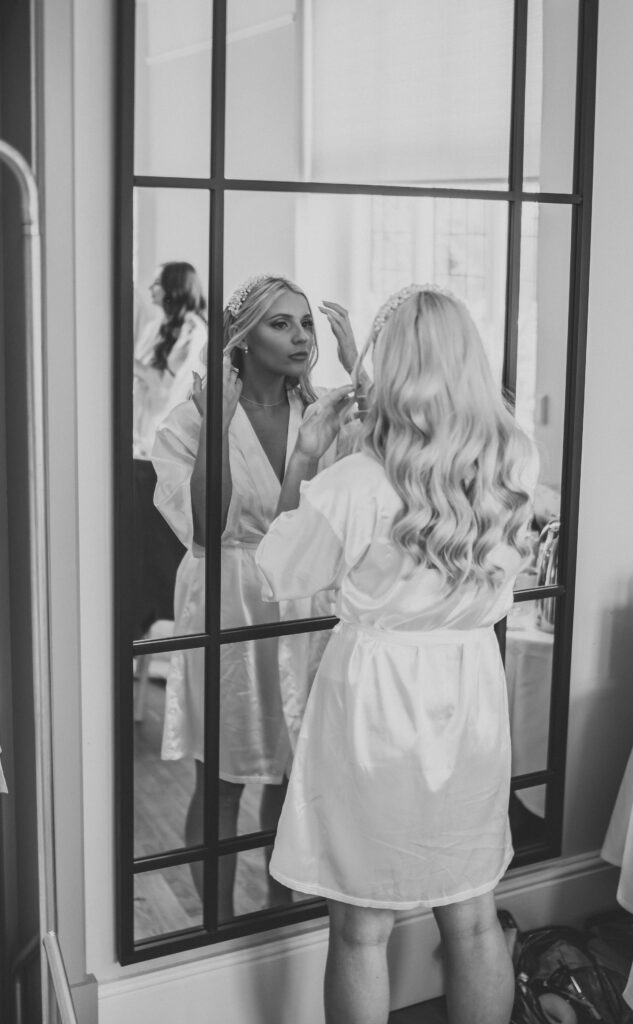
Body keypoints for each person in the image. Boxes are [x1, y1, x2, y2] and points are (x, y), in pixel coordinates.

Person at [255, 285, 538, 1024]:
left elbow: (279, 572)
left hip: (375, 704)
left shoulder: (355, 484)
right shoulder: (513, 463)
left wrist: (306, 453)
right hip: (469, 693)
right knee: (474, 915)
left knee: (359, 927)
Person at [151, 274, 360, 918]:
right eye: (281, 324)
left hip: (309, 600)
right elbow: (207, 530)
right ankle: (214, 919)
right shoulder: (188, 422)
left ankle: (279, 908)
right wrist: (217, 426)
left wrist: (362, 372)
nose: (301, 336)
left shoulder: (328, 412)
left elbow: (399, 461)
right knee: (222, 773)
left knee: (298, 771)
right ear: (242, 340)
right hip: (229, 593)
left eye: (306, 323)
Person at [132, 261, 208, 641]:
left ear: (175, 288)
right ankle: (141, 619)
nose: (151, 290)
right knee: (138, 542)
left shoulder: (196, 332)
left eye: (158, 284)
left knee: (161, 544)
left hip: (167, 447)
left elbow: (175, 391)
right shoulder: (153, 328)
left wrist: (134, 370)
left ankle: (167, 621)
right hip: (139, 444)